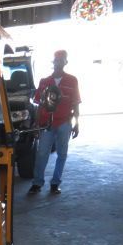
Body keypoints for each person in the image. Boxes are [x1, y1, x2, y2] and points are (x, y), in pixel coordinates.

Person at [28, 50, 81, 195]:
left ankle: (55, 183)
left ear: (65, 62)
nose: (58, 62)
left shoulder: (72, 80)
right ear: (53, 62)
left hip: (64, 122)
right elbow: (39, 104)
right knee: (42, 153)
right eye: (56, 60)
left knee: (62, 154)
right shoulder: (44, 82)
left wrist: (77, 123)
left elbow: (75, 104)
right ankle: (37, 183)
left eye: (61, 59)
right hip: (46, 124)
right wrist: (36, 124)